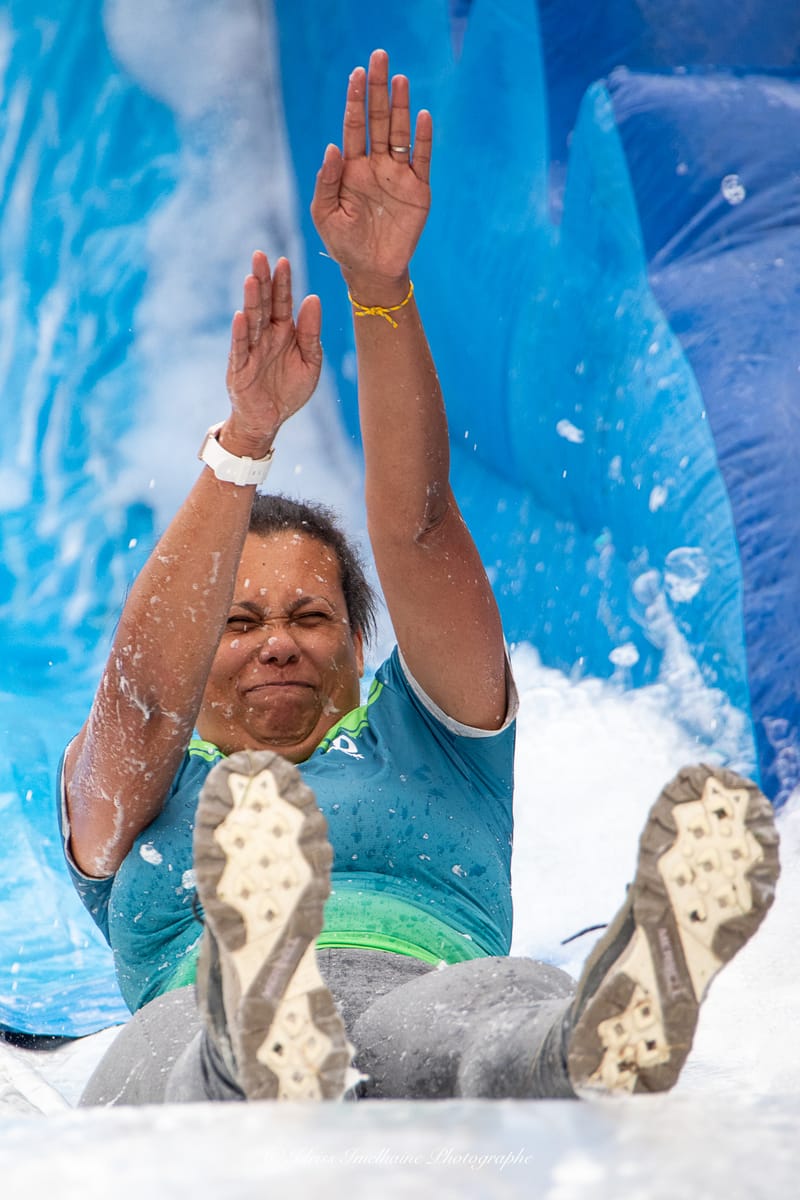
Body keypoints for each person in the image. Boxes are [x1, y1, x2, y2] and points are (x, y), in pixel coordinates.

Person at [59, 50, 779, 1105]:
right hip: (190, 1003)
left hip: (425, 976)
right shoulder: (145, 775)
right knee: (197, 1052)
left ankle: (600, 1031)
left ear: (360, 653)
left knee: (488, 1023)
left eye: (311, 615)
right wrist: (243, 442)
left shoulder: (430, 745)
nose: (277, 639)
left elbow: (421, 527)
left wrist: (380, 290)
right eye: (240, 618)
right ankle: (255, 1022)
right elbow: (144, 692)